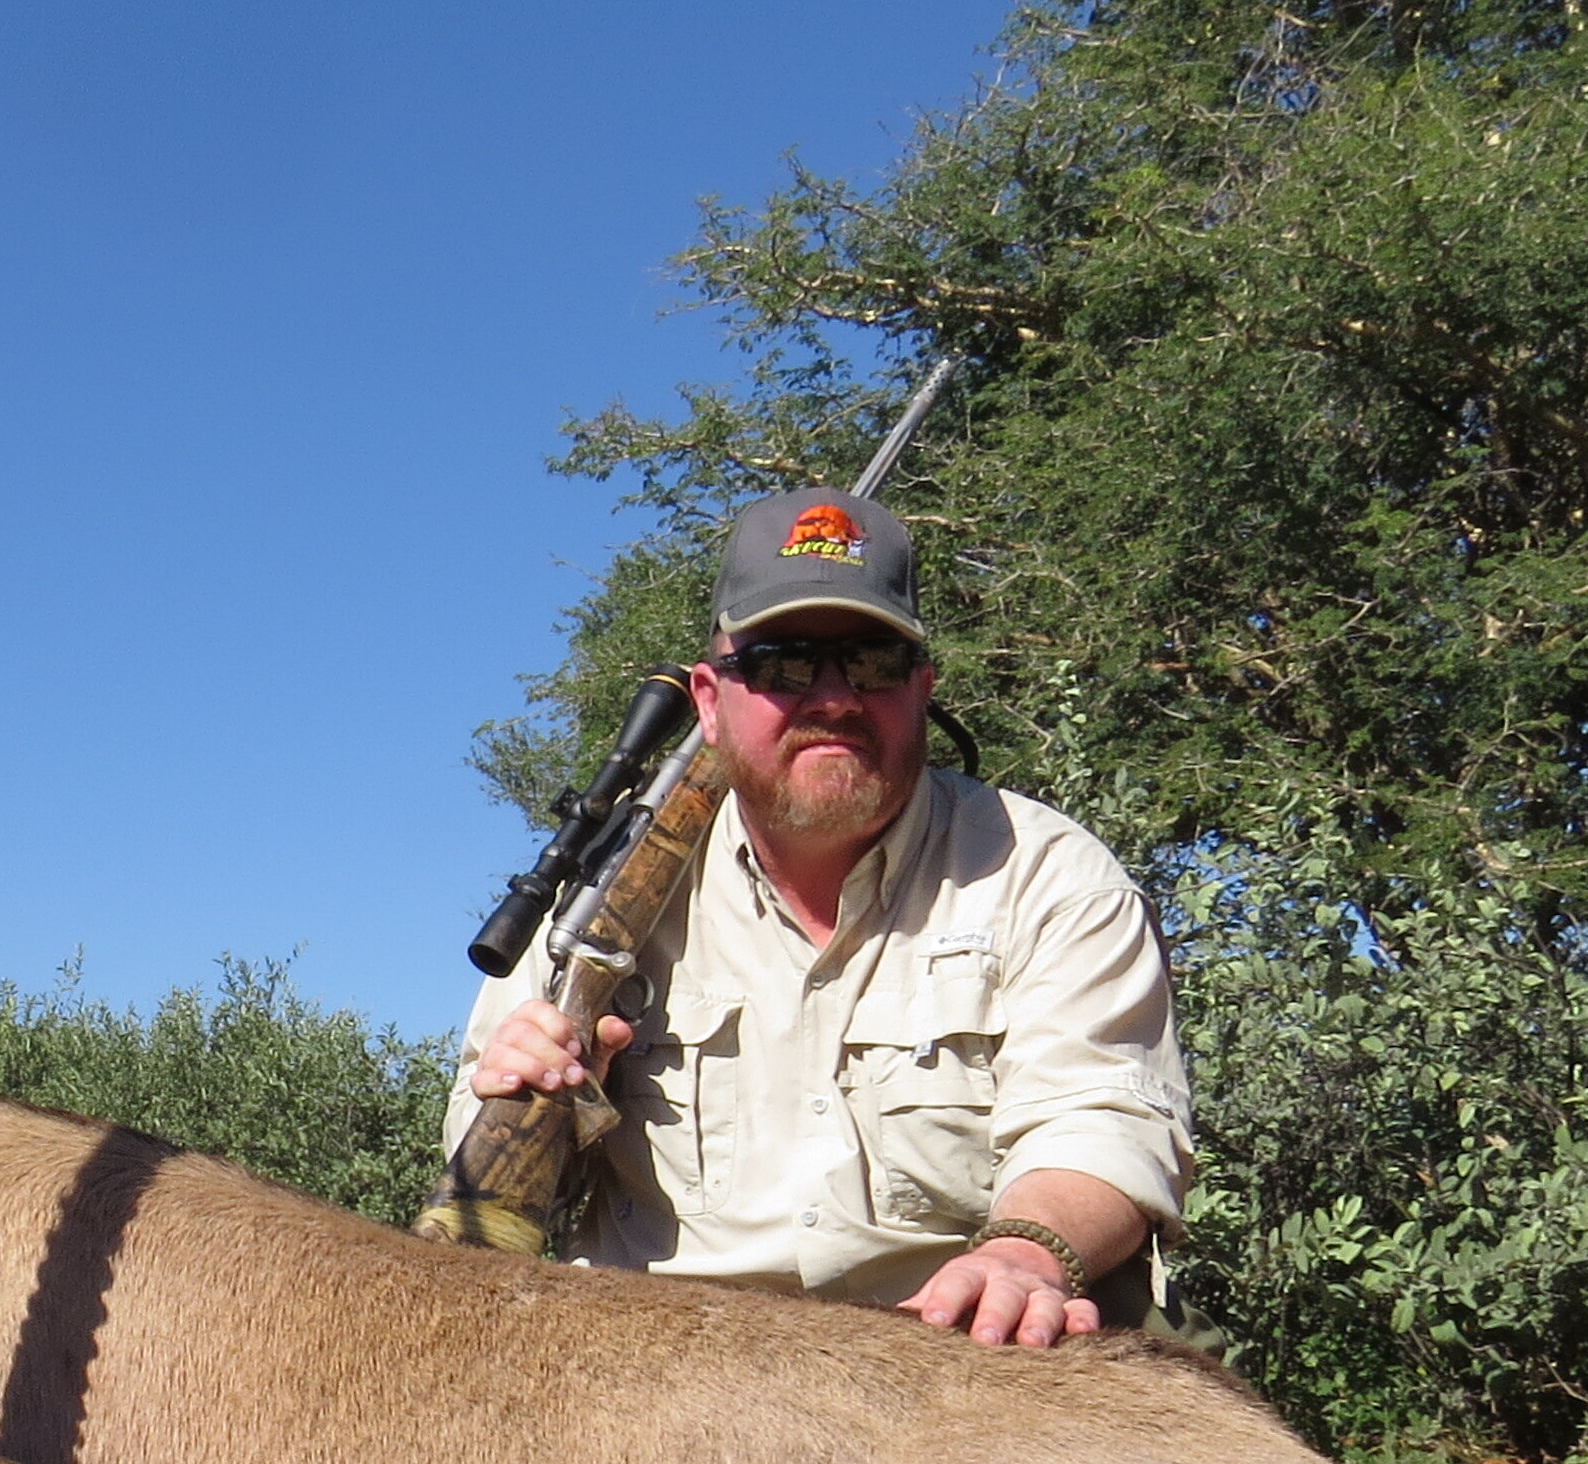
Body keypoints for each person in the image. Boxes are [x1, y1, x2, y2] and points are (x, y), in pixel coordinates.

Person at [453, 482, 1189, 1351]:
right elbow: (478, 1192)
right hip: (656, 1372)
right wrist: (548, 1094)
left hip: (959, 1359)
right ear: (708, 700)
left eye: (873, 661)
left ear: (923, 687)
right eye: (783, 665)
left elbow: (1101, 1121)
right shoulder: (591, 916)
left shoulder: (1052, 876)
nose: (833, 698)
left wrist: (1026, 1255)